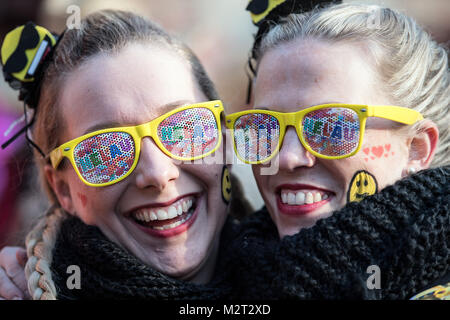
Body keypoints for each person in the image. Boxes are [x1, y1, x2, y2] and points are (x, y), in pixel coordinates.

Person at [0, 9, 252, 300]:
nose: (158, 174)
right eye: (107, 150)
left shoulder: (296, 260)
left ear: (223, 138)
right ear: (63, 189)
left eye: (183, 128)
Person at [224, 2, 449, 299]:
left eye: (331, 127)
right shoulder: (226, 281)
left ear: (417, 148)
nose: (286, 158)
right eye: (264, 127)